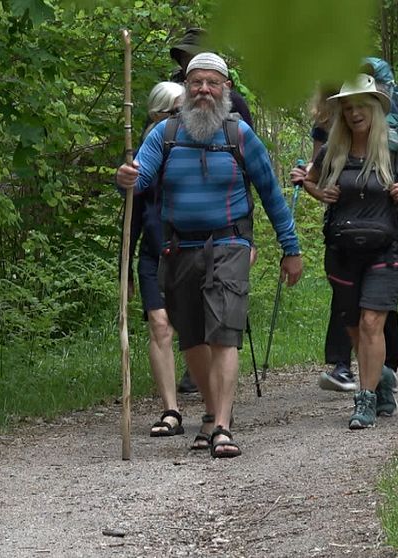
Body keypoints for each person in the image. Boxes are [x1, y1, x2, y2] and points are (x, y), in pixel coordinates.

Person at [116, 53, 303, 457]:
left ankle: (222, 426)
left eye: (212, 83)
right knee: (193, 339)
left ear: (226, 90)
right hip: (177, 247)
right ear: (185, 89)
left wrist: (291, 248)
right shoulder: (164, 134)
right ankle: (213, 411)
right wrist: (125, 177)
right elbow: (140, 180)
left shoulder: (240, 136)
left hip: (229, 243)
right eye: (196, 82)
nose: (203, 90)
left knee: (224, 332)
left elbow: (271, 194)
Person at [300, 74, 398, 429]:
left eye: (361, 106)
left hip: (387, 248)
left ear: (374, 109)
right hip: (342, 249)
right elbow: (308, 179)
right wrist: (320, 193)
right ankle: (382, 376)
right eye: (348, 107)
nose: (355, 113)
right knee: (354, 326)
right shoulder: (333, 150)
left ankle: (365, 400)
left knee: (373, 322)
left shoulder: (394, 145)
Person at [167, 28, 255, 395]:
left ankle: (218, 413)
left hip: (229, 230)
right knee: (186, 315)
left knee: (220, 313)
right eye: (185, 61)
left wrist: (248, 235)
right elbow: (152, 161)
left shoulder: (235, 108)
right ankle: (204, 382)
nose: (189, 65)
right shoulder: (175, 100)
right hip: (179, 232)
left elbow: (251, 172)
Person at [126, 81, 186, 437]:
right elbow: (132, 211)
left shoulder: (198, 147)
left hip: (193, 248)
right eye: (175, 113)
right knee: (160, 325)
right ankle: (171, 410)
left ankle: (215, 410)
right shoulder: (143, 155)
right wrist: (125, 262)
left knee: (197, 329)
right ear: (159, 114)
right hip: (153, 251)